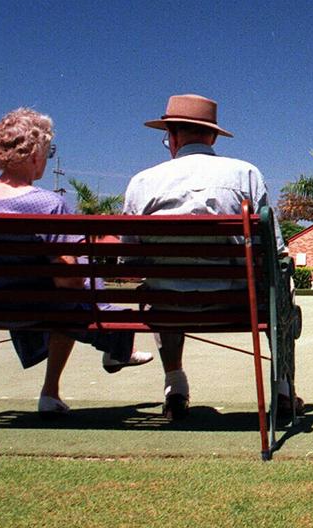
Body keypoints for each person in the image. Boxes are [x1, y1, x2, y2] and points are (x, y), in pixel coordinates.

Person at [0, 108, 152, 415]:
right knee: (74, 281)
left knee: (66, 282)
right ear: (34, 154)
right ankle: (115, 347)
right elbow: (71, 282)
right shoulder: (49, 204)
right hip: (43, 309)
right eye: (47, 153)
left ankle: (98, 361)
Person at [123, 94, 290, 420]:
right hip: (236, 302)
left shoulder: (142, 182)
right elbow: (274, 251)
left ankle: (175, 387)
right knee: (279, 285)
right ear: (212, 136)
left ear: (171, 136)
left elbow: (130, 262)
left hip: (168, 303)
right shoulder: (246, 175)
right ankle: (283, 389)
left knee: (158, 285)